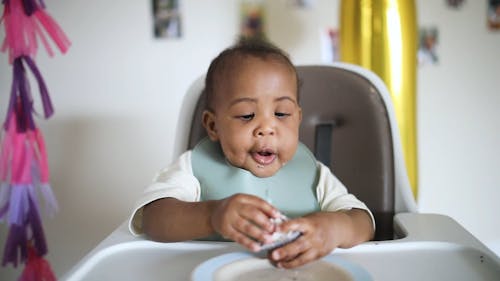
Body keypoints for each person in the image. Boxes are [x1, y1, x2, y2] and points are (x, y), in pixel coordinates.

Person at [128, 40, 375, 269]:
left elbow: (363, 222)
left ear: (298, 118)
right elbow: (153, 218)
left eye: (281, 114)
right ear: (213, 126)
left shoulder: (313, 175)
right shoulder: (194, 168)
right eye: (247, 115)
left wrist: (333, 230)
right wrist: (211, 216)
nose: (267, 128)